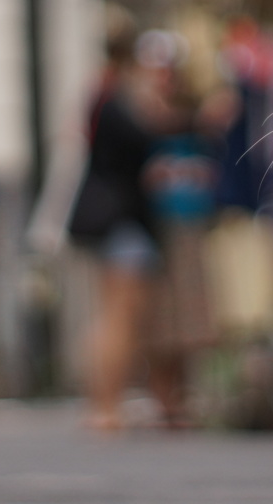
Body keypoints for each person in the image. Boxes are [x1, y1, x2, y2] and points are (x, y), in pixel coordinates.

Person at [66, 26, 189, 432]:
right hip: (123, 223)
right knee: (120, 317)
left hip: (123, 222)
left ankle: (105, 405)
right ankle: (104, 406)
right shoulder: (114, 98)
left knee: (119, 317)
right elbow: (148, 134)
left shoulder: (106, 95)